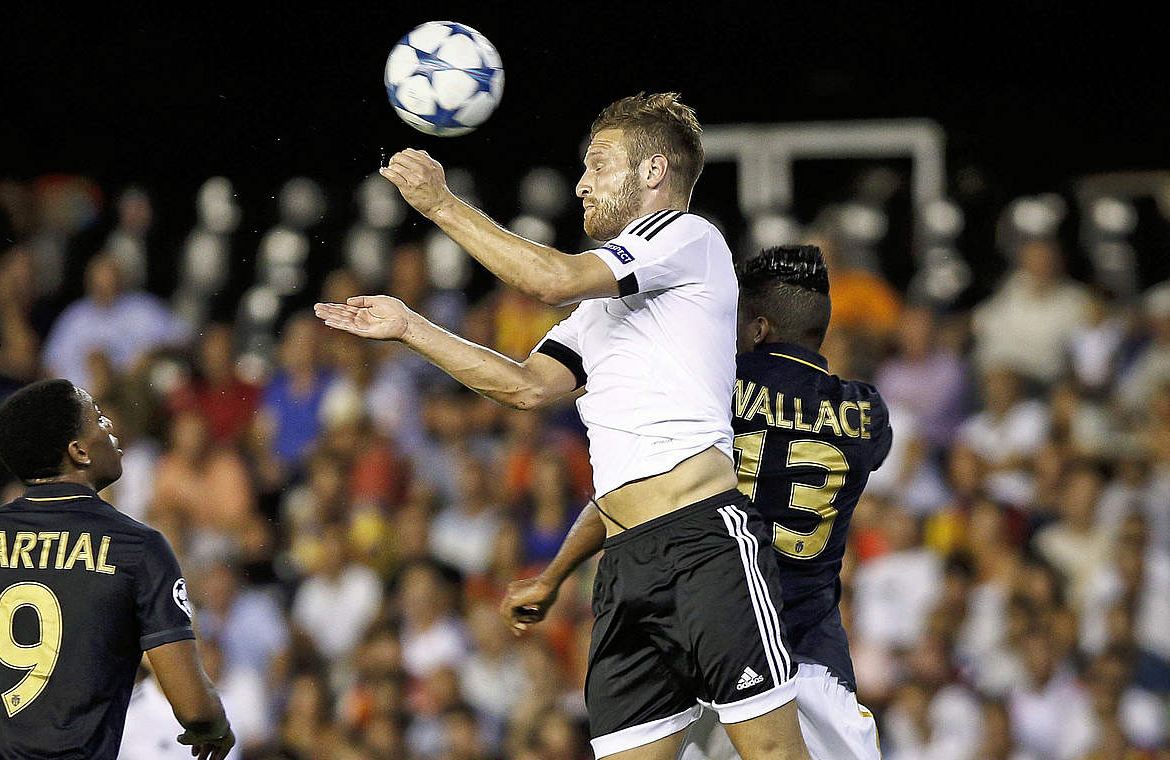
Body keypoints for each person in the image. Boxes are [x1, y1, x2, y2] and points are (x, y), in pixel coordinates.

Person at [316, 92, 811, 760]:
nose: (582, 182)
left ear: (654, 171)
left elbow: (550, 279)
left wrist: (440, 205)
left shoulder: (686, 238)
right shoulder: (600, 312)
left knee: (776, 754)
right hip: (628, 564)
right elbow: (524, 387)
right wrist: (411, 327)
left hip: (704, 544)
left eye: (598, 164)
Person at [0, 379, 234, 759]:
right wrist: (217, 726)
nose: (109, 426)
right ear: (78, 451)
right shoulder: (139, 548)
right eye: (98, 418)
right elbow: (194, 708)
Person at [702, 245, 892, 758]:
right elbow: (872, 452)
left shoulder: (712, 383)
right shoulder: (865, 408)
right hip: (812, 655)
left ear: (758, 327)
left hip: (714, 648)